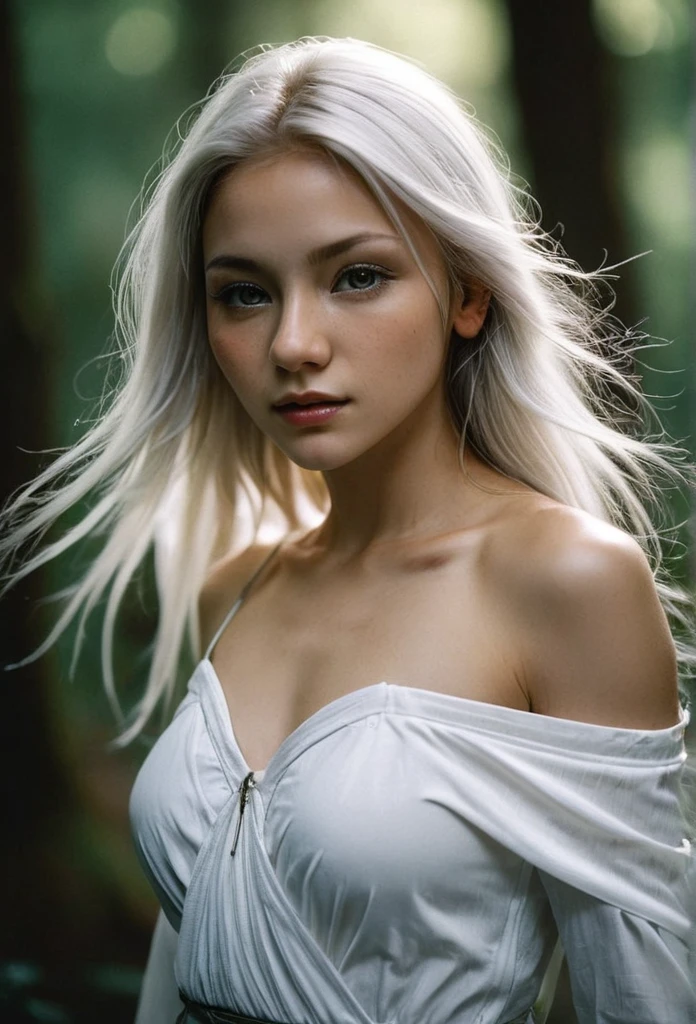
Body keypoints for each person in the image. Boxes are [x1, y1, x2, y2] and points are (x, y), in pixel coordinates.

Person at [1, 35, 694, 1024]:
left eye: (357, 276)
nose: (293, 344)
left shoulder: (567, 582)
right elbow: (183, 951)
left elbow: (642, 996)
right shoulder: (233, 586)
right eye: (244, 292)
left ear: (466, 292)